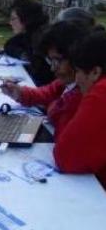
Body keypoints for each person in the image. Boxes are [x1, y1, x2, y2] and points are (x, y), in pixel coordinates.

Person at [1, 21, 88, 140]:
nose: (53, 68)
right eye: (50, 60)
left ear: (76, 57)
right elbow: (47, 92)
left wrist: (52, 106)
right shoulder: (67, 82)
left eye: (57, 61)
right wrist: (20, 93)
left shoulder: (84, 93)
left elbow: (62, 127)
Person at [54, 31, 106, 189]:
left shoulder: (101, 94)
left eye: (77, 71)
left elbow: (66, 158)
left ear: (95, 72)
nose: (76, 79)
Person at [4, 0, 54, 86]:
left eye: (13, 19)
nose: (10, 23)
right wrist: (22, 54)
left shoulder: (41, 37)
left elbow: (41, 75)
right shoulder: (28, 33)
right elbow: (9, 44)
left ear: (25, 19)